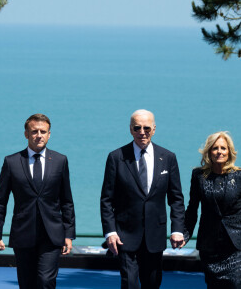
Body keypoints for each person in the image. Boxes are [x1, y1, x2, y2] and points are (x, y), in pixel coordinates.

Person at [100, 109, 185, 289]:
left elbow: (176, 198)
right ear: (130, 129)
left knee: (152, 283)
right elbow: (107, 199)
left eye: (146, 128)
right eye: (137, 128)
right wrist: (110, 232)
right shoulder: (116, 158)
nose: (142, 132)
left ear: (154, 129)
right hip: (125, 235)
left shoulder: (168, 158)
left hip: (155, 235)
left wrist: (177, 229)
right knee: (129, 283)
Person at [0, 113, 75, 289]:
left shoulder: (60, 161)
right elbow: (0, 201)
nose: (39, 135)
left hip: (52, 234)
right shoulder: (11, 162)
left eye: (43, 131)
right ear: (26, 134)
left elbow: (67, 200)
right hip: (23, 233)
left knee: (45, 281)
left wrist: (68, 234)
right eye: (34, 131)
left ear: (49, 134)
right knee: (26, 283)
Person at [183, 131, 241, 288]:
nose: (219, 151)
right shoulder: (199, 176)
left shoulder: (239, 175)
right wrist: (185, 235)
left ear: (229, 151)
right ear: (209, 151)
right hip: (210, 245)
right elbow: (192, 208)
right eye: (215, 148)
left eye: (223, 148)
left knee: (235, 284)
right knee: (213, 285)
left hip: (236, 246)